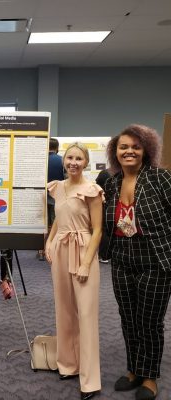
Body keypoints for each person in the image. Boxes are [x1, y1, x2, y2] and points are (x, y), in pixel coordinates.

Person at [103, 124, 171, 400]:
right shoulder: (110, 182)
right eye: (123, 147)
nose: (129, 151)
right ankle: (134, 369)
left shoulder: (160, 178)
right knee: (128, 318)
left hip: (155, 259)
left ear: (146, 150)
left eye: (135, 147)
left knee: (150, 321)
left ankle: (150, 376)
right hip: (121, 258)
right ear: (115, 152)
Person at [45, 142, 103, 400]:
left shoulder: (91, 190)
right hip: (60, 249)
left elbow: (98, 230)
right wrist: (49, 240)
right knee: (64, 310)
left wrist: (86, 263)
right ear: (63, 160)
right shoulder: (58, 187)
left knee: (87, 316)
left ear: (86, 162)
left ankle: (90, 381)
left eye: (79, 158)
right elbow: (60, 216)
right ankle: (68, 365)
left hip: (83, 250)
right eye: (70, 157)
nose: (73, 162)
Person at [39, 138, 65, 260]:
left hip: (41, 197)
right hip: (57, 197)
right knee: (57, 224)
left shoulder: (40, 161)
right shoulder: (62, 161)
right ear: (57, 147)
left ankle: (41, 250)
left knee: (43, 225)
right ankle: (53, 250)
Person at [95, 168, 112, 263]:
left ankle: (104, 256)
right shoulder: (121, 172)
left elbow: (97, 186)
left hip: (105, 203)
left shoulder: (104, 172)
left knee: (105, 229)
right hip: (118, 203)